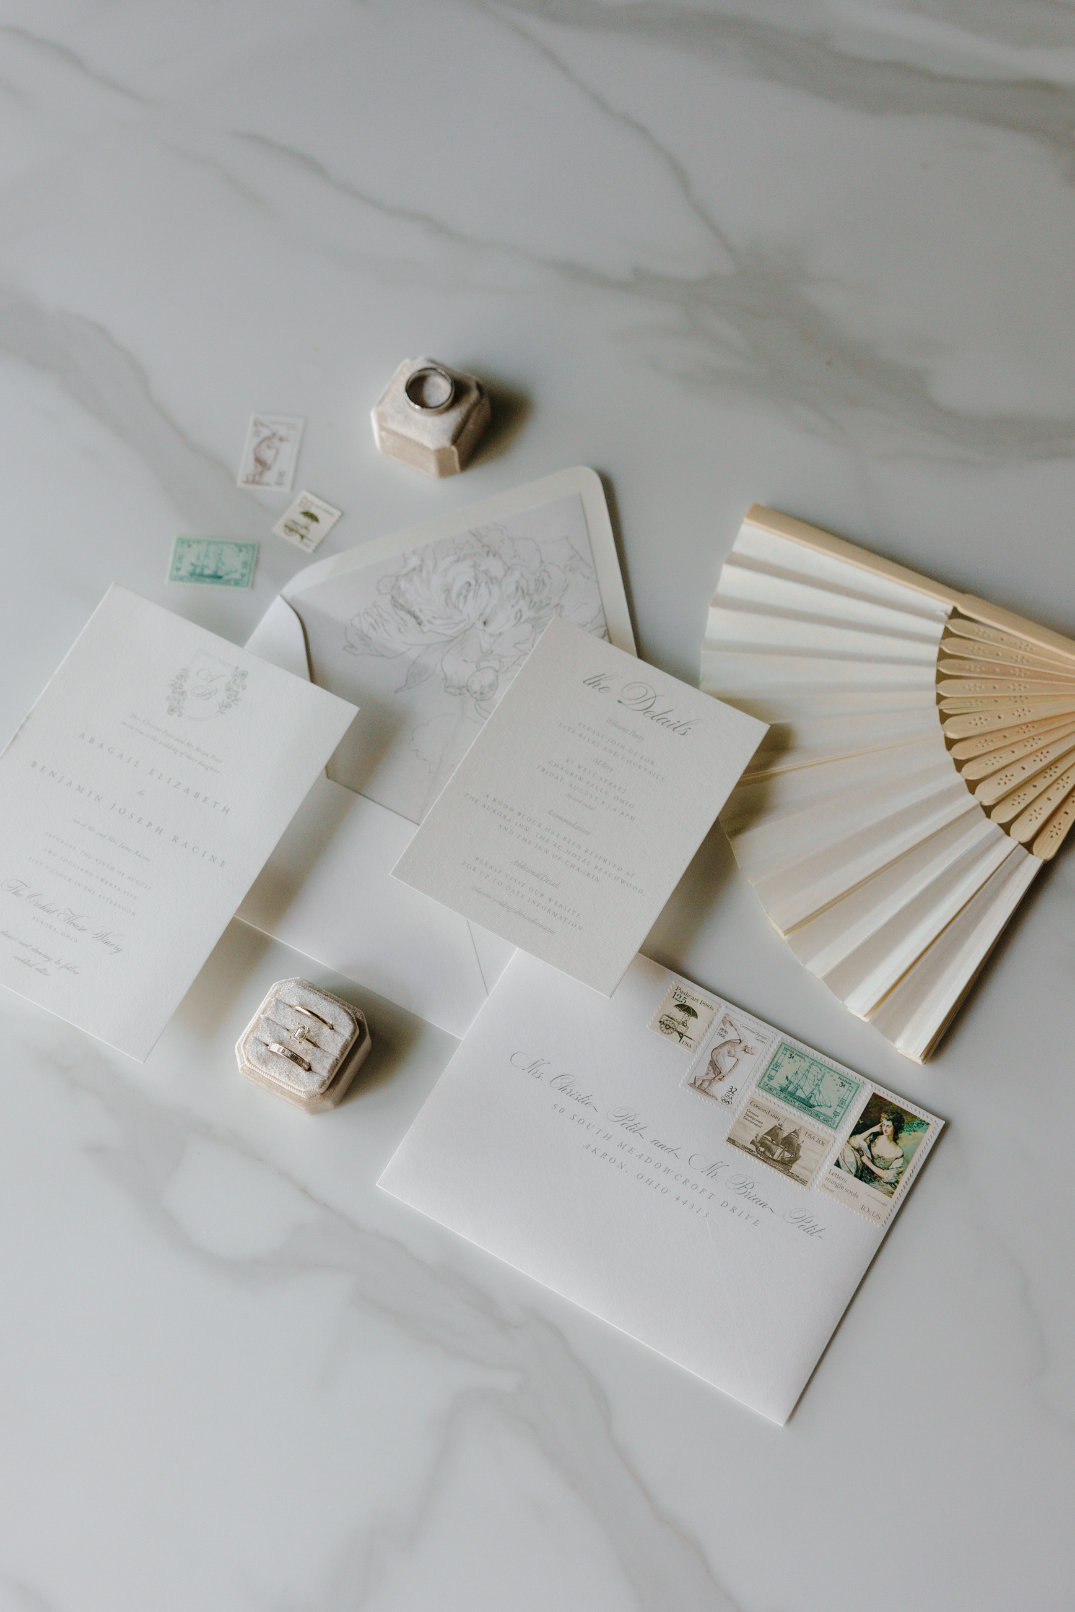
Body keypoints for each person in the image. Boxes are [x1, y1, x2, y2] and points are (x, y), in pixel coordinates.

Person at [838, 1107, 907, 1194]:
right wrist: (872, 1130)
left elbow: (891, 1176)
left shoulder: (898, 1152)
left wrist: (868, 1163)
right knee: (845, 1148)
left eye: (888, 1126)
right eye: (883, 1125)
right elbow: (852, 1142)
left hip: (880, 1183)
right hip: (863, 1174)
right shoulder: (874, 1138)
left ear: (895, 1128)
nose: (885, 1128)